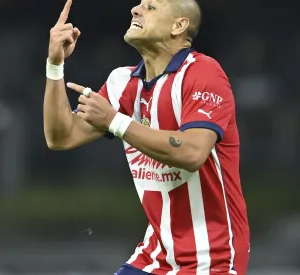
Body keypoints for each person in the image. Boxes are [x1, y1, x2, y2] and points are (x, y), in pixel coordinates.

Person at [43, 0, 250, 274]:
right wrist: (55, 64)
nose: (135, 10)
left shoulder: (203, 73)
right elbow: (61, 137)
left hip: (212, 258)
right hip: (154, 257)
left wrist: (115, 121)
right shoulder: (123, 82)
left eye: (151, 7)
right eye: (139, 5)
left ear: (179, 26)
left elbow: (191, 153)